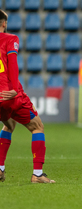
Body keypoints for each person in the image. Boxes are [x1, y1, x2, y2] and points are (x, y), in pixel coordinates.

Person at [0, 10, 55, 183]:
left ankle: (0, 168)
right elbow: (13, 63)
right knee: (37, 126)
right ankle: (37, 174)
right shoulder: (10, 39)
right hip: (10, 94)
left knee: (8, 124)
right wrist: (15, 88)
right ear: (4, 24)